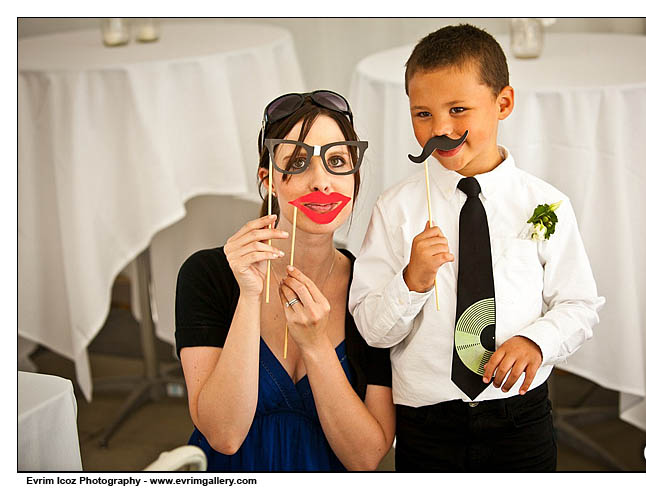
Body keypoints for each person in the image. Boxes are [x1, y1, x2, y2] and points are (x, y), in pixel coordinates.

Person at [349, 24, 605, 471]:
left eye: (459, 109)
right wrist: (412, 281)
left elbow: (580, 304)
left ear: (503, 103)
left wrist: (536, 341)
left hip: (520, 416)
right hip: (427, 421)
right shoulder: (395, 210)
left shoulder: (545, 204)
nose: (440, 129)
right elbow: (372, 330)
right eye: (422, 114)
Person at [175, 90, 395, 471]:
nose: (322, 183)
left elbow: (366, 458)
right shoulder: (206, 275)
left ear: (355, 176)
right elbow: (223, 435)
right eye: (297, 163)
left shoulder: (374, 288)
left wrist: (315, 344)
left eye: (337, 161)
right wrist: (248, 296)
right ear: (269, 180)